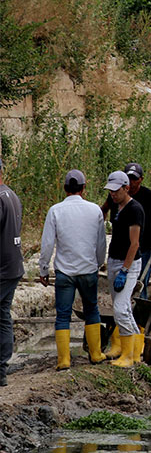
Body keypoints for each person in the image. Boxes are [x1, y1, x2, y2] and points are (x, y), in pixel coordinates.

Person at [39, 170, 108, 369]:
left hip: (65, 273)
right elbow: (100, 242)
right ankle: (95, 354)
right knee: (92, 309)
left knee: (62, 315)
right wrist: (97, 263)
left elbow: (47, 245)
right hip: (88, 270)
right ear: (84, 188)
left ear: (65, 189)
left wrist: (44, 269)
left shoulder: (55, 211)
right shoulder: (94, 210)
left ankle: (64, 360)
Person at [103, 163, 151, 300]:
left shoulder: (148, 196)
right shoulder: (115, 195)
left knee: (139, 286)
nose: (132, 182)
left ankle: (139, 319)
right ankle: (123, 317)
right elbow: (103, 210)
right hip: (118, 251)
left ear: (141, 179)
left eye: (134, 178)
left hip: (142, 250)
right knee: (118, 291)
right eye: (128, 178)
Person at [104, 170, 145, 367]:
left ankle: (128, 356)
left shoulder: (135, 210)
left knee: (120, 309)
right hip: (113, 259)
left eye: (116, 190)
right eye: (110, 191)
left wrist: (125, 271)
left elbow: (134, 244)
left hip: (128, 263)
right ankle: (136, 352)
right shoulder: (114, 205)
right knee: (122, 308)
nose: (112, 194)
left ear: (126, 188)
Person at [0, 157, 23, 386]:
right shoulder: (12, 196)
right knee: (3, 317)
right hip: (14, 266)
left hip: (2, 268)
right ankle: (1, 370)